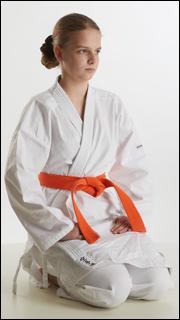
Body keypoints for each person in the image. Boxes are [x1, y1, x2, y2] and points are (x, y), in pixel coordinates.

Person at [5, 13, 174, 308]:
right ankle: (50, 268)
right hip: (62, 217)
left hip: (103, 213)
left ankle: (87, 268)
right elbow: (18, 175)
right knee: (113, 289)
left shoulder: (111, 104)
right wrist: (58, 227)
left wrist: (132, 212)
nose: (92, 59)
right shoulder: (42, 108)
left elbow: (134, 164)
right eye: (83, 50)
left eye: (97, 51)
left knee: (158, 283)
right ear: (60, 53)